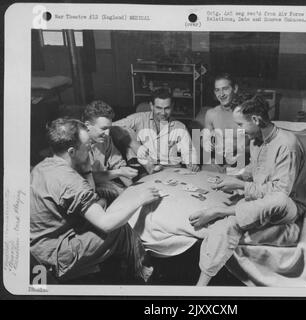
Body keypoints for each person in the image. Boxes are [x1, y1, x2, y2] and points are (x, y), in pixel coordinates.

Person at [189, 95, 306, 286]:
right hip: (261, 201)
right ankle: (200, 288)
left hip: (289, 204)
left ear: (255, 120)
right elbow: (254, 170)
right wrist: (236, 178)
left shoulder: (287, 145)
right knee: (227, 225)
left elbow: (280, 193)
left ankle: (220, 211)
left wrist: (241, 186)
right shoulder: (256, 140)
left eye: (240, 125)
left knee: (277, 201)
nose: (239, 130)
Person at [30, 118, 160, 283]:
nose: (91, 147)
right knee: (119, 229)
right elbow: (106, 224)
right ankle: (144, 273)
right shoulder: (70, 181)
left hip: (38, 245)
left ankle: (123, 263)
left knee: (103, 202)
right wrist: (141, 198)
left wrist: (86, 169)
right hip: (54, 254)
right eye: (87, 145)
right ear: (71, 152)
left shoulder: (43, 165)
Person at [113, 88, 200, 173]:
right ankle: (150, 167)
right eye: (159, 108)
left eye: (167, 108)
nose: (163, 113)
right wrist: (134, 145)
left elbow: (188, 151)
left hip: (171, 170)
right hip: (145, 169)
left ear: (172, 106)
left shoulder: (180, 126)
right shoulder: (139, 118)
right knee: (125, 130)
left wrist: (191, 163)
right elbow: (111, 126)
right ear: (151, 106)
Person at [83, 100, 139, 202]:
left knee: (132, 194)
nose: (108, 133)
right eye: (103, 128)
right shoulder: (78, 145)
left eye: (109, 128)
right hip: (85, 189)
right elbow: (88, 178)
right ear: (87, 125)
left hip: (104, 182)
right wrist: (119, 172)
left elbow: (117, 164)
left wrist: (134, 189)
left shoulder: (106, 139)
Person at [203, 73, 246, 172]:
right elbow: (204, 142)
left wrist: (234, 145)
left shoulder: (246, 113)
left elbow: (258, 146)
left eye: (225, 89)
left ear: (235, 88)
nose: (221, 94)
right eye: (217, 90)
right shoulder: (211, 114)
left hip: (241, 166)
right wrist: (206, 143)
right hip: (216, 165)